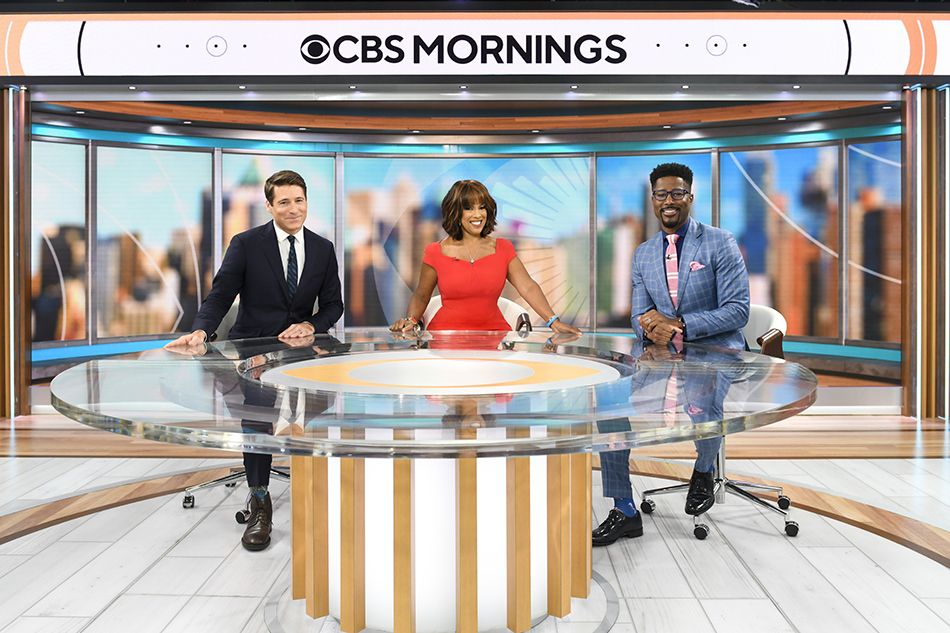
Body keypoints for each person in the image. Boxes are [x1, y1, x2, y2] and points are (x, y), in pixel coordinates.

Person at [166, 169, 343, 551]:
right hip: (252, 350)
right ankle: (260, 501)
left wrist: (310, 325)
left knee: (318, 409)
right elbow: (221, 294)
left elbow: (334, 305)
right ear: (269, 205)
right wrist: (201, 331)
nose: (293, 209)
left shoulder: (323, 248)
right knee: (258, 421)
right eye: (284, 202)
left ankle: (320, 493)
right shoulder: (247, 243)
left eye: (299, 200)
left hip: (301, 353)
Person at [593, 162, 749, 546]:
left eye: (677, 193)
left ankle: (703, 468)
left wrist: (679, 324)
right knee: (612, 409)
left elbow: (737, 310)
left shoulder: (719, 241)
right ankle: (624, 508)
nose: (669, 201)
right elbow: (637, 316)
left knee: (702, 396)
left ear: (690, 197)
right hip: (661, 354)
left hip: (715, 349)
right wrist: (650, 326)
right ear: (652, 200)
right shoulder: (643, 254)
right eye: (661, 194)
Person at [390, 179, 580, 337]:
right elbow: (422, 295)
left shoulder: (503, 248)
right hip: (444, 338)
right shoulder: (435, 252)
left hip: (495, 337)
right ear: (455, 212)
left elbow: (528, 286)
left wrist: (553, 321)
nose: (478, 214)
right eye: (469, 208)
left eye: (482, 207)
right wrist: (411, 320)